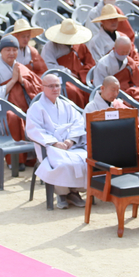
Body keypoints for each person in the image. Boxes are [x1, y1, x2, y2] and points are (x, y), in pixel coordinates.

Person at [26, 73, 88, 209]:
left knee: (85, 159)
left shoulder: (66, 105)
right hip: (49, 147)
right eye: (51, 86)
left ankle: (74, 192)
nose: (55, 89)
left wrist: (71, 140)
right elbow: (34, 130)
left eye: (57, 86)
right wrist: (54, 143)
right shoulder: (36, 108)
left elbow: (78, 122)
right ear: (43, 88)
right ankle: (62, 194)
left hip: (69, 145)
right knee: (62, 163)